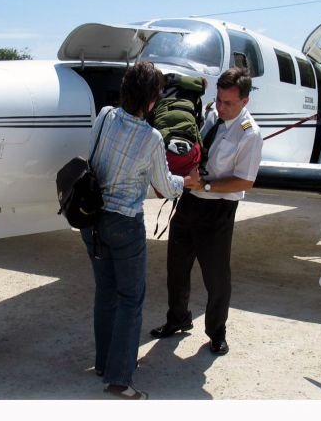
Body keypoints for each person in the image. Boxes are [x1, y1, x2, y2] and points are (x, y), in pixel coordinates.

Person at [80, 61, 201, 400]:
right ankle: (119, 379)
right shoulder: (151, 137)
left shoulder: (104, 115)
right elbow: (165, 185)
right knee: (131, 299)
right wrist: (187, 182)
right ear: (151, 101)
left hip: (91, 220)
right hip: (123, 224)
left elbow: (92, 158)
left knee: (105, 293)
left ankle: (104, 364)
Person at [150, 67, 263, 355]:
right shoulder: (212, 112)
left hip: (218, 210)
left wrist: (208, 184)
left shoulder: (250, 134)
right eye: (219, 100)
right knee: (176, 269)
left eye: (229, 103)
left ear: (245, 102)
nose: (221, 107)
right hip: (189, 201)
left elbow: (245, 180)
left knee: (216, 279)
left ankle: (216, 332)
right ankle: (177, 319)